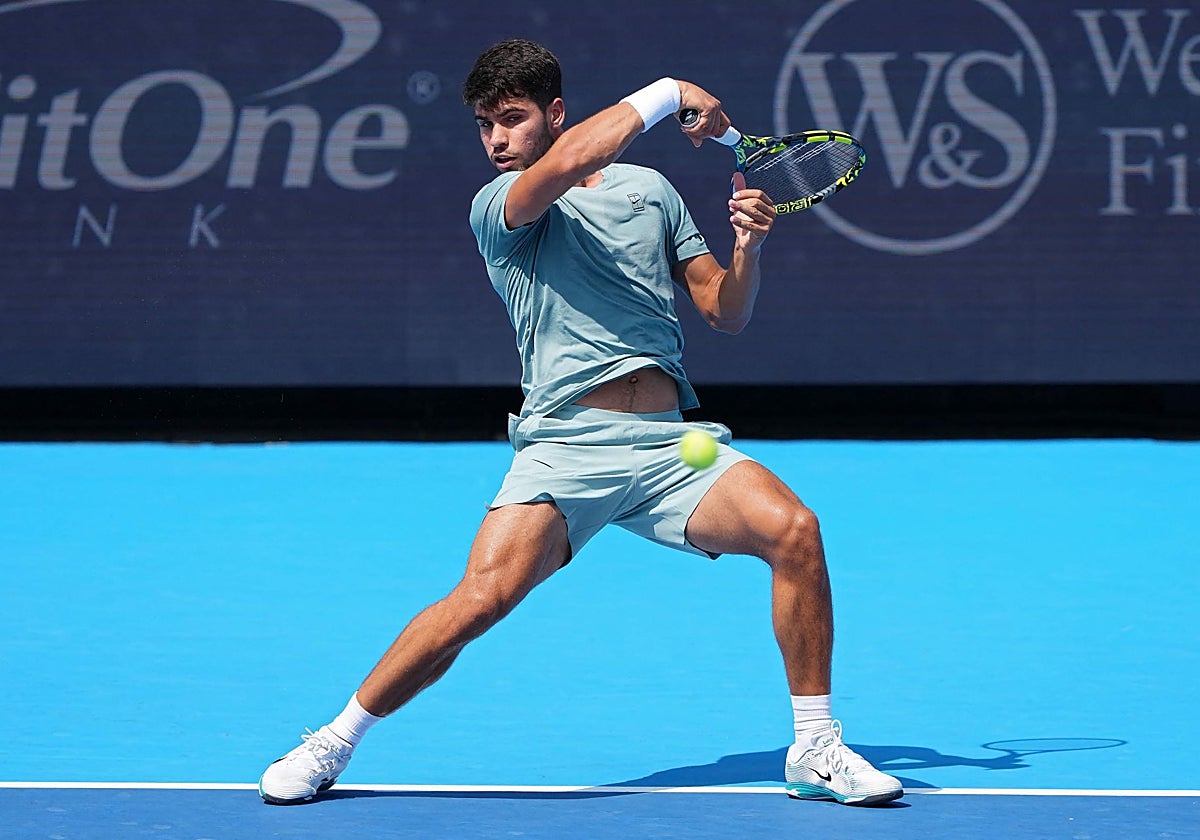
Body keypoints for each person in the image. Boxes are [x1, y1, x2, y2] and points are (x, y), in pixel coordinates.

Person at [258, 38, 902, 807]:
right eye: (485, 124)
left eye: (514, 119)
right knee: (481, 600)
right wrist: (669, 87)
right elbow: (564, 168)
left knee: (795, 530)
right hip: (566, 448)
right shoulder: (500, 207)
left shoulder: (651, 192)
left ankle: (816, 746)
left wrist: (748, 246)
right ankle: (332, 742)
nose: (497, 139)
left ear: (554, 113)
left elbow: (722, 312)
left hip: (673, 450)